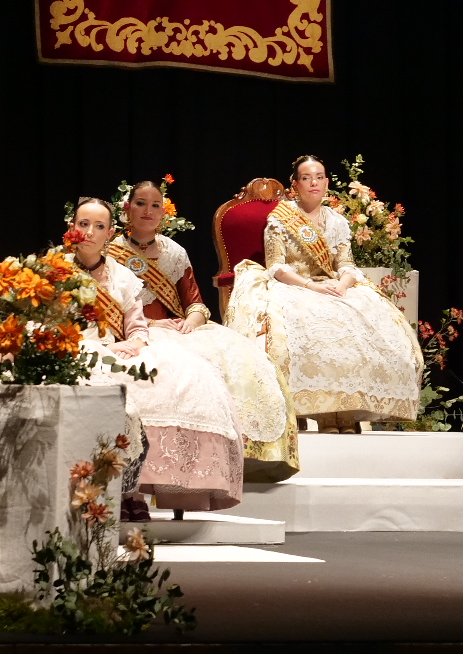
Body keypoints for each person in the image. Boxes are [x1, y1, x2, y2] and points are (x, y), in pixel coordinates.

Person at [108, 180, 294, 479]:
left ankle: (238, 450)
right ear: (127, 209)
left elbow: (195, 304)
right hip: (133, 332)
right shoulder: (109, 252)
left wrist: (191, 322)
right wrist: (151, 326)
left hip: (178, 329)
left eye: (156, 205)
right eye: (141, 203)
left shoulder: (175, 253)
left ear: (164, 212)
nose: (148, 211)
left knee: (240, 357)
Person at [71, 197, 244, 515]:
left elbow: (136, 326)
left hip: (120, 349)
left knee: (178, 374)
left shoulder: (121, 276)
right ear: (72, 228)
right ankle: (110, 490)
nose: (90, 232)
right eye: (84, 224)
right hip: (76, 350)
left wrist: (135, 343)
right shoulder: (57, 272)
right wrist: (105, 347)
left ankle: (133, 490)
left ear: (110, 232)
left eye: (99, 226)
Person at [225, 155, 424, 431]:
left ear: (327, 182)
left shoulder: (337, 222)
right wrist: (312, 286)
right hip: (294, 286)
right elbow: (277, 267)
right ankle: (319, 413)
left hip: (332, 284)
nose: (313, 183)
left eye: (319, 177)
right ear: (295, 184)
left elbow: (346, 264)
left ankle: (345, 413)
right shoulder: (280, 219)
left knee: (366, 320)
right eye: (306, 178)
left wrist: (342, 286)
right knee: (310, 324)